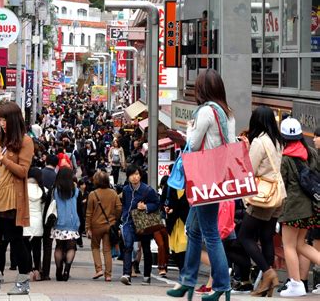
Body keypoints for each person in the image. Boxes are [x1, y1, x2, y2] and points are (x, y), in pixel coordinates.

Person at [167, 69, 235, 301]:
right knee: (193, 230)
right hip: (217, 178)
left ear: (202, 89)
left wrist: (188, 129)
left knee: (210, 233)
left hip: (205, 178)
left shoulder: (205, 112)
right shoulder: (227, 113)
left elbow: (194, 144)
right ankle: (187, 281)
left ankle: (222, 285)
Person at [0, 102, 34, 296]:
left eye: (4, 120)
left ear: (13, 119)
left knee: (16, 240)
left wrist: (3, 158)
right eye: (0, 120)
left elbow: (23, 171)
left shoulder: (25, 141)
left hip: (13, 199)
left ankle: (22, 281)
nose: (2, 124)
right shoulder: (0, 139)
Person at [238, 105, 286, 296]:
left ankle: (268, 273)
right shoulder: (278, 141)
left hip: (263, 197)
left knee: (244, 237)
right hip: (278, 194)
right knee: (266, 237)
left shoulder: (259, 142)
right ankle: (267, 287)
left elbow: (250, 169)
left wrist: (247, 149)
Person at [278, 117, 320, 298]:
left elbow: (282, 183)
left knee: (288, 245)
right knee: (300, 244)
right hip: (310, 207)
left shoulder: (285, 158)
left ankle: (296, 284)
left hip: (293, 207)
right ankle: (296, 284)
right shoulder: (311, 152)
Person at [120, 164, 160, 286]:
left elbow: (157, 203)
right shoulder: (126, 189)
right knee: (127, 246)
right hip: (128, 222)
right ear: (128, 177)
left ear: (140, 176)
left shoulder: (148, 190)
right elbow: (125, 204)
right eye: (132, 174)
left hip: (143, 222)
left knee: (146, 248)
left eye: (137, 174)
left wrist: (146, 207)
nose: (134, 177)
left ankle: (147, 276)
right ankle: (127, 274)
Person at [86, 170, 122, 282]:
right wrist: (114, 219)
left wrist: (87, 228)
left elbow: (89, 213)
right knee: (107, 250)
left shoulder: (93, 194)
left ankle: (99, 269)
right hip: (109, 225)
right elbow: (119, 208)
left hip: (96, 225)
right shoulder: (113, 193)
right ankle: (108, 275)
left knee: (95, 247)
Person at [52, 167, 84, 281]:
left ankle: (58, 270)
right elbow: (80, 209)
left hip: (59, 222)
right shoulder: (75, 191)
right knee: (71, 247)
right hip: (72, 222)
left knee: (59, 246)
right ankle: (67, 270)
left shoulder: (55, 190)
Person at [23, 167, 47, 280]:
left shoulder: (22, 189)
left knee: (26, 248)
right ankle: (37, 270)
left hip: (25, 221)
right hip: (38, 222)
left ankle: (28, 271)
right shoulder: (43, 191)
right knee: (37, 248)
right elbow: (43, 210)